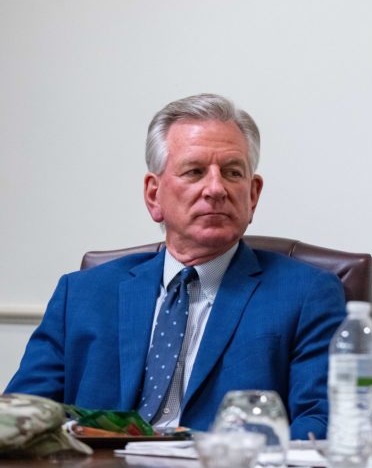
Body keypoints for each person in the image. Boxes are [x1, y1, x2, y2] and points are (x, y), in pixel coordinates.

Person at [5, 94, 346, 440]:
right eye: (195, 172)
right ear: (154, 195)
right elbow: (21, 417)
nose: (215, 189)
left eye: (232, 172)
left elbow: (321, 425)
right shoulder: (81, 295)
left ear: (253, 194)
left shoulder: (307, 295)